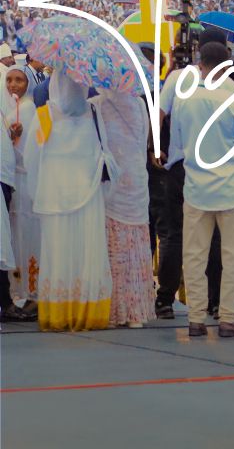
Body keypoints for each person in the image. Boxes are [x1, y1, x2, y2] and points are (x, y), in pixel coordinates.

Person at [171, 40, 234, 339]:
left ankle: (196, 318)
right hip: (231, 187)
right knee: (233, 255)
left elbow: (178, 145)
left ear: (200, 64)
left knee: (194, 255)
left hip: (196, 187)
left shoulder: (185, 98)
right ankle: (227, 318)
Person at [23, 63, 113, 331]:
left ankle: (60, 313)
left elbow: (31, 159)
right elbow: (104, 150)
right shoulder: (93, 112)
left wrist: (41, 186)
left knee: (58, 251)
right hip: (89, 196)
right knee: (86, 251)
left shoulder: (45, 115)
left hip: (55, 197)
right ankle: (87, 311)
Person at [98, 87, 155, 328]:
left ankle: (113, 308)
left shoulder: (97, 104)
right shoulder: (140, 104)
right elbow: (144, 144)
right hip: (137, 183)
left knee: (113, 246)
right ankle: (135, 311)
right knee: (135, 245)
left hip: (113, 185)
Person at [1, 65, 37, 321]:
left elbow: (31, 150)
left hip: (23, 181)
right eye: (9, 80)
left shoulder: (29, 108)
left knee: (23, 236)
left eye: (19, 80)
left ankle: (25, 292)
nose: (13, 85)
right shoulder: (7, 108)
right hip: (9, 180)